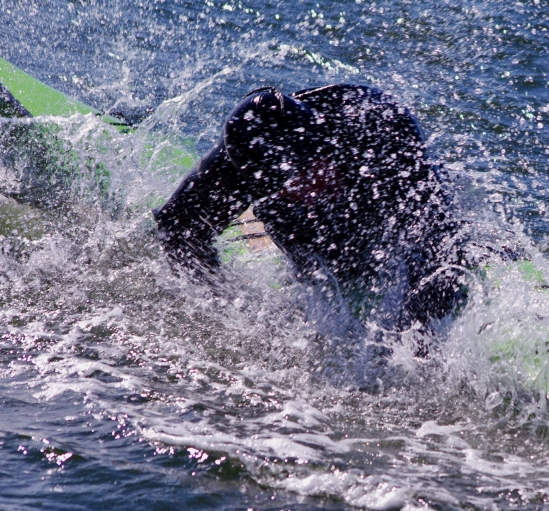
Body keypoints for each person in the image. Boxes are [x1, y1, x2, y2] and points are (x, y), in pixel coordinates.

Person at [153, 84, 466, 330]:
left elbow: (442, 239)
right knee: (303, 233)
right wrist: (224, 305)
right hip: (296, 217)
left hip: (374, 188)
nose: (304, 190)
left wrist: (415, 328)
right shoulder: (242, 162)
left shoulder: (382, 136)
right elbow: (175, 228)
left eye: (308, 175)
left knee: (422, 250)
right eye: (289, 187)